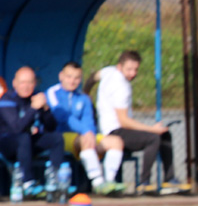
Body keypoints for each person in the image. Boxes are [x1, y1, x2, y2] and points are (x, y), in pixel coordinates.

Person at [95, 50, 188, 195]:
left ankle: (169, 179)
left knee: (164, 135)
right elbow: (124, 122)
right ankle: (144, 183)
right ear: (120, 67)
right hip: (115, 133)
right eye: (129, 69)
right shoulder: (121, 86)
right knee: (153, 138)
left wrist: (86, 92)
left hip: (119, 129)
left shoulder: (109, 71)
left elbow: (93, 77)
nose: (133, 73)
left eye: (136, 69)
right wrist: (152, 129)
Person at [46, 61, 124, 195]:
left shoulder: (83, 98)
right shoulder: (52, 93)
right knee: (85, 140)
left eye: (77, 78)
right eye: (69, 77)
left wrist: (90, 133)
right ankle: (98, 183)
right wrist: (86, 133)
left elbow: (89, 120)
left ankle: (110, 181)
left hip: (84, 136)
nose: (72, 81)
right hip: (60, 137)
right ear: (61, 76)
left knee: (116, 141)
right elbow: (62, 117)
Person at [0, 66, 65, 197]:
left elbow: (51, 127)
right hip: (7, 144)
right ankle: (28, 182)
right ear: (15, 83)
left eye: (30, 82)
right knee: (23, 137)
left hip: (27, 144)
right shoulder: (7, 99)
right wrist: (33, 108)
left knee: (56, 138)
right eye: (22, 82)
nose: (26, 86)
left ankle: (54, 179)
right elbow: (16, 128)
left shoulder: (36, 97)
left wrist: (45, 109)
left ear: (35, 83)